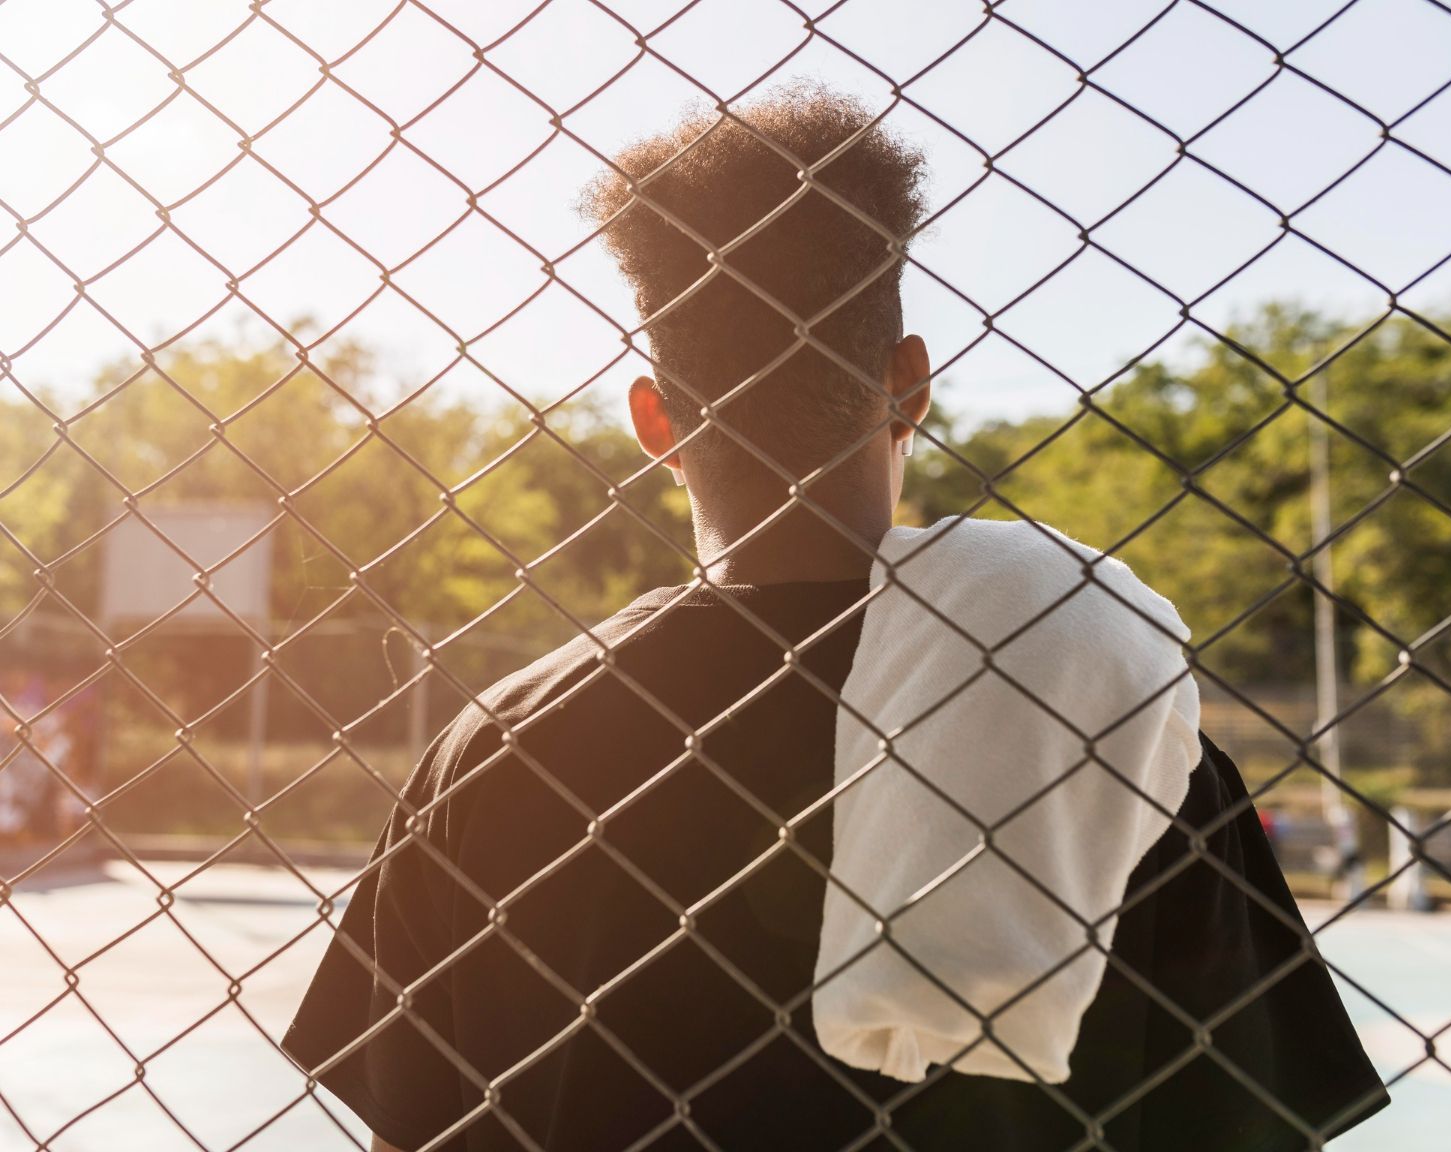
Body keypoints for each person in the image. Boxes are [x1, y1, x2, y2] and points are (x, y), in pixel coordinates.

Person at [282, 83, 1388, 1151]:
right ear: (911, 384)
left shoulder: (496, 749)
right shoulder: (1122, 716)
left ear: (655, 420)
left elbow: (410, 1134)